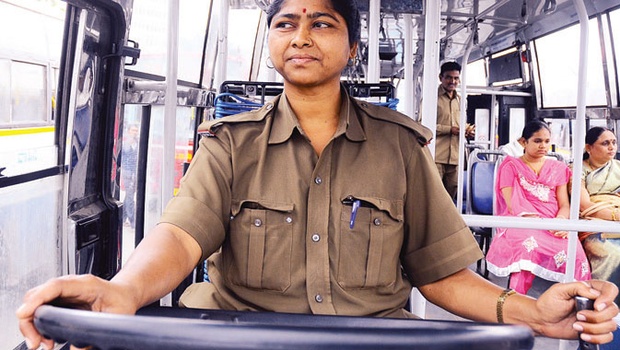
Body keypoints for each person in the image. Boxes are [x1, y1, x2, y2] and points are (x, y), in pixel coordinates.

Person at [17, 1, 618, 349]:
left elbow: (441, 277)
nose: (301, 35)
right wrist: (122, 292)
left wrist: (532, 313)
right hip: (239, 337)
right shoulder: (230, 144)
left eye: (322, 23)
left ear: (351, 49)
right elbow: (179, 237)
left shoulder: (400, 147)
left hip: (370, 342)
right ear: (274, 44)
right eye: (286, 23)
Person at [486, 120, 592, 294]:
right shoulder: (510, 166)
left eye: (547, 141)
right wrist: (533, 220)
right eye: (537, 141)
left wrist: (561, 222)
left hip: (554, 221)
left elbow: (564, 204)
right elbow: (511, 203)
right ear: (523, 142)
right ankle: (516, 302)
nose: (543, 146)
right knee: (526, 248)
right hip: (522, 219)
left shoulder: (558, 167)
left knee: (575, 252)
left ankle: (577, 303)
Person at [574, 126, 620, 306]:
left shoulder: (618, 168)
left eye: (614, 142)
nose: (611, 147)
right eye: (605, 143)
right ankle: (605, 304)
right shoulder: (578, 170)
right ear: (589, 148)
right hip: (593, 223)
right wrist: (614, 215)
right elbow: (585, 205)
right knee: (613, 253)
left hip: (611, 217)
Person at [434, 61, 474, 199]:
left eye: (456, 78)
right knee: (435, 194)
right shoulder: (432, 98)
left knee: (452, 196)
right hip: (437, 156)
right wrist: (450, 130)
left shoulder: (461, 100)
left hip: (456, 157)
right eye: (449, 77)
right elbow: (423, 125)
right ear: (441, 78)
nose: (453, 81)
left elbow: (460, 124)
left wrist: (466, 130)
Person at [121, 125, 139, 228]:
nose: (135, 132)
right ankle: (133, 221)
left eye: (136, 130)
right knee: (130, 195)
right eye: (133, 130)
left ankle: (122, 218)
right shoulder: (126, 144)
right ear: (128, 131)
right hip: (127, 172)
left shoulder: (138, 143)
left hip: (135, 172)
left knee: (128, 195)